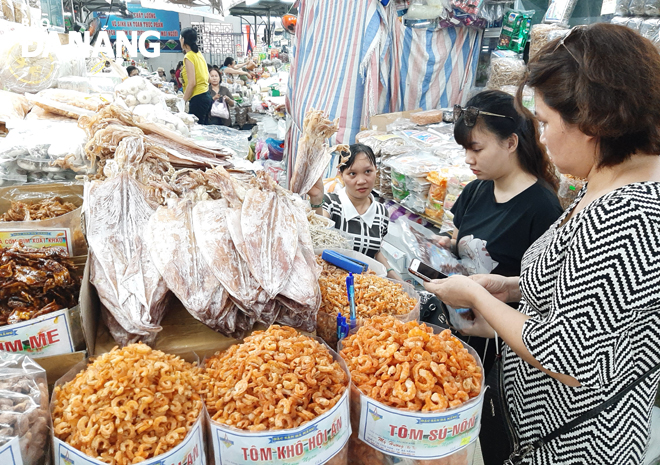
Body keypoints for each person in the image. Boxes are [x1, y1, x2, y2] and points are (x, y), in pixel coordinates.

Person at [425, 24, 660, 465]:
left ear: (592, 121)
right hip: (531, 425)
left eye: (546, 122)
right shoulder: (607, 179)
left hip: (574, 446)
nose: (543, 137)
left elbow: (566, 356)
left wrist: (476, 294)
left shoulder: (630, 214)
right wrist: (513, 289)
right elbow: (592, 297)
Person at [434, 90, 563, 373]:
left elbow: (548, 294)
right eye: (465, 149)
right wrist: (445, 246)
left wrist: (496, 327)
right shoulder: (475, 190)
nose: (468, 159)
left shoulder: (542, 208)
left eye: (476, 149)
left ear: (511, 142)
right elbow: (460, 239)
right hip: (458, 331)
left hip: (504, 350)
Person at [308, 144, 401, 280]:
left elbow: (374, 250)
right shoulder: (331, 203)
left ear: (376, 170)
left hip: (367, 290)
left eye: (368, 171)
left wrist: (396, 278)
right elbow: (317, 234)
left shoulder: (381, 212)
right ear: (341, 175)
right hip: (334, 287)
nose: (362, 181)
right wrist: (316, 200)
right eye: (352, 174)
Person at [179, 27, 212, 125]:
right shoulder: (198, 54)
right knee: (203, 129)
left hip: (198, 98)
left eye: (180, 38)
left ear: (183, 40)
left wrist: (183, 101)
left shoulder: (188, 56)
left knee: (197, 131)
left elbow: (192, 83)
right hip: (206, 96)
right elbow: (209, 79)